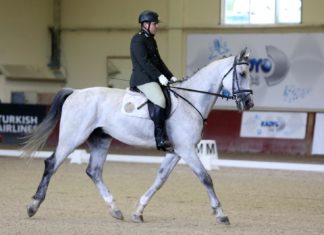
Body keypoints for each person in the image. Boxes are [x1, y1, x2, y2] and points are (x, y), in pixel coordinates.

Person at [129, 10, 178, 152]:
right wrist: (159, 76)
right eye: (155, 24)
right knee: (160, 100)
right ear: (146, 24)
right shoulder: (138, 39)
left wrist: (170, 76)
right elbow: (144, 62)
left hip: (153, 77)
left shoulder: (151, 39)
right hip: (143, 79)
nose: (157, 26)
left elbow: (158, 62)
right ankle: (160, 137)